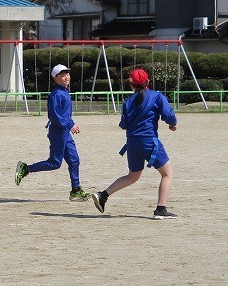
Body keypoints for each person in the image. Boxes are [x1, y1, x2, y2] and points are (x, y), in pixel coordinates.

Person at [91, 68, 178, 219]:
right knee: (167, 174)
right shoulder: (156, 96)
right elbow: (168, 114)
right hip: (148, 141)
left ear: (131, 85)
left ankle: (103, 195)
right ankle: (160, 209)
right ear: (148, 81)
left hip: (131, 142)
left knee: (133, 176)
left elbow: (123, 124)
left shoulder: (128, 102)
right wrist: (172, 123)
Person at [15, 64, 90, 202]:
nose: (66, 77)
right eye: (62, 75)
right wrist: (70, 124)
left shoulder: (65, 92)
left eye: (67, 74)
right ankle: (25, 168)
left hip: (65, 132)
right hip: (58, 133)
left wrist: (71, 123)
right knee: (55, 163)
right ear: (55, 79)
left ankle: (76, 190)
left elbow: (65, 114)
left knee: (74, 160)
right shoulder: (56, 94)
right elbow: (54, 116)